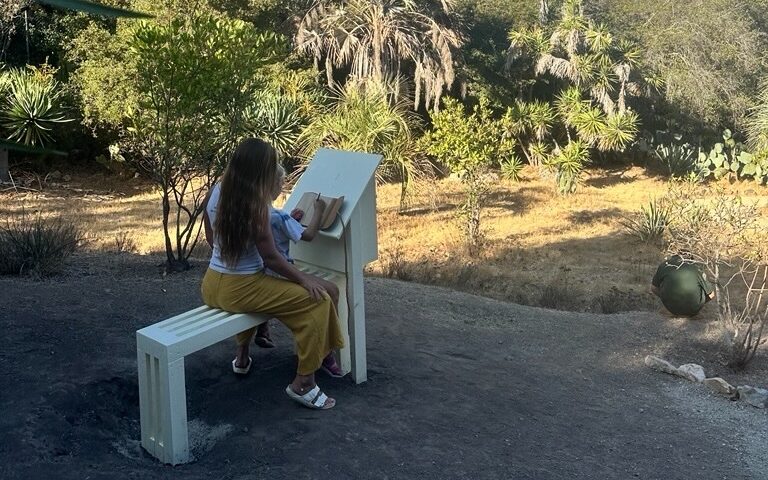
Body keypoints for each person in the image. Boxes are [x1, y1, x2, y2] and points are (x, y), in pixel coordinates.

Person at [201, 137, 344, 410]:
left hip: (211, 284)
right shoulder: (256, 205)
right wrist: (304, 279)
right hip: (242, 289)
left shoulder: (216, 191)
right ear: (261, 171)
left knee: (308, 293)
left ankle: (243, 358)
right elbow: (271, 258)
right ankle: (303, 383)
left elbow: (210, 237)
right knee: (319, 300)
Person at [254, 164, 345, 378]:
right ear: (274, 186)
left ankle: (262, 329)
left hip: (263, 273)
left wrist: (292, 220)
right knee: (331, 291)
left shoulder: (258, 211)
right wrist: (319, 212)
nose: (282, 187)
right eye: (281, 183)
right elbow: (310, 235)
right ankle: (327, 353)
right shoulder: (279, 217)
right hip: (284, 273)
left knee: (325, 291)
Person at [651, 255, 715, 317]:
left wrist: (665, 298)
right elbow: (712, 294)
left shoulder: (665, 264)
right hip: (693, 309)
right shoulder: (697, 266)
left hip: (671, 308)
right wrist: (700, 304)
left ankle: (674, 307)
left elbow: (653, 288)